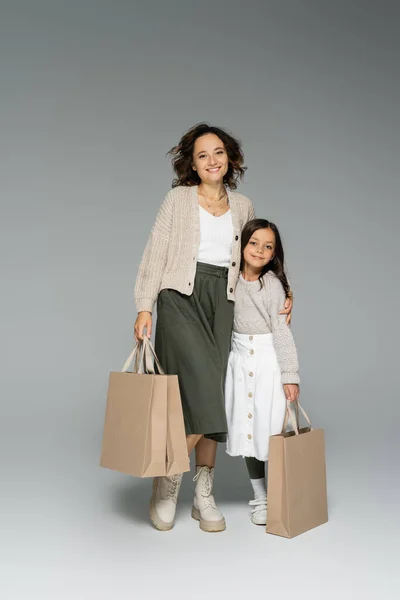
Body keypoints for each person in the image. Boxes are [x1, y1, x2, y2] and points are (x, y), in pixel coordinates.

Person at [133, 124, 294, 533]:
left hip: (224, 304)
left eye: (218, 152)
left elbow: (255, 258)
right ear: (191, 163)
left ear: (230, 158)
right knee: (201, 389)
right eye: (202, 155)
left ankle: (203, 491)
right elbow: (156, 253)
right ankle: (168, 483)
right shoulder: (178, 199)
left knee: (215, 397)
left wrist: (283, 292)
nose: (212, 161)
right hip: (180, 299)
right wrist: (143, 306)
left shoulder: (242, 205)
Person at [225, 218, 299, 526]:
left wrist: (290, 375)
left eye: (268, 246)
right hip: (239, 361)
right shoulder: (228, 278)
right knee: (247, 429)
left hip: (267, 362)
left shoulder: (271, 285)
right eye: (254, 243)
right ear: (242, 244)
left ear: (274, 253)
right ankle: (260, 496)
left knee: (268, 427)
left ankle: (283, 494)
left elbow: (281, 333)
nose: (259, 250)